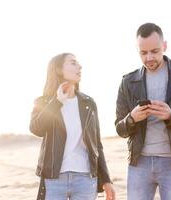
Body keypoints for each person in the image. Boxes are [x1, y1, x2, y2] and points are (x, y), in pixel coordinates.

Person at [115, 23, 171, 200]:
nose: (149, 58)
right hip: (139, 164)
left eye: (155, 51)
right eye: (143, 53)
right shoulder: (128, 81)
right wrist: (131, 118)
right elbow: (120, 128)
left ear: (164, 46)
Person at [30, 53, 115, 200]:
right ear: (58, 70)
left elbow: (97, 144)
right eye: (73, 63)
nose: (79, 66)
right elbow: (36, 128)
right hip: (54, 179)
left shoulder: (88, 103)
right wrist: (57, 102)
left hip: (85, 178)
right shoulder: (43, 102)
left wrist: (106, 180)